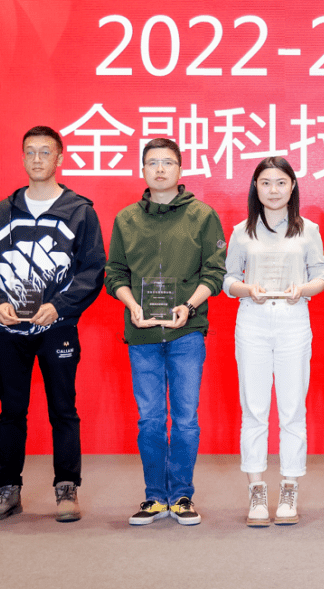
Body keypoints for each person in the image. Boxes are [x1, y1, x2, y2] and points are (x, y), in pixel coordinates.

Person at [0, 126, 105, 523]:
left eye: (46, 152)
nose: (37, 159)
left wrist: (59, 307)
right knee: (11, 411)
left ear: (60, 158)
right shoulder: (2, 211)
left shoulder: (79, 211)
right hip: (9, 332)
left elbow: (93, 269)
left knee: (63, 409)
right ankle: (7, 489)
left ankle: (67, 487)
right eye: (30, 152)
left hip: (57, 329)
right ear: (23, 157)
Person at [105, 137, 226, 528]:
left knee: (186, 419)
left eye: (168, 162)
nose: (160, 169)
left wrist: (189, 305)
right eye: (153, 162)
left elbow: (215, 273)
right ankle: (155, 497)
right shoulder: (126, 219)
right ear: (143, 170)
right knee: (151, 420)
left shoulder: (202, 216)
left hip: (186, 333)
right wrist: (132, 304)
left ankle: (182, 495)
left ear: (180, 168)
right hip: (142, 335)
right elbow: (114, 273)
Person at [224, 157, 324, 526]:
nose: (273, 190)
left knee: (292, 409)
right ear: (256, 187)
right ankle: (256, 491)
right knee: (253, 409)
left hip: (293, 321)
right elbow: (228, 279)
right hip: (252, 320)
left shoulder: (308, 230)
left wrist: (304, 289)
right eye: (265, 183)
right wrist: (246, 289)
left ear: (292, 186)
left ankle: (289, 488)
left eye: (281, 182)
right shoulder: (241, 231)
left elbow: (321, 277)